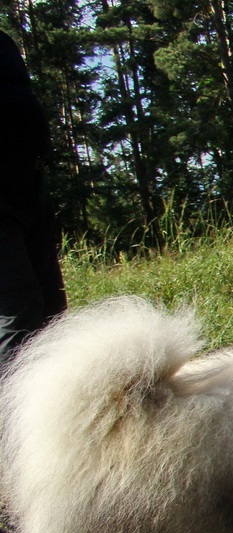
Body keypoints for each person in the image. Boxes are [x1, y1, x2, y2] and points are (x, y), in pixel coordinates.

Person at [0, 30, 67, 367]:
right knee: (19, 309)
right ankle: (10, 417)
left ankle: (57, 412)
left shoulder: (3, 42)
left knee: (54, 312)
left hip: (28, 184)